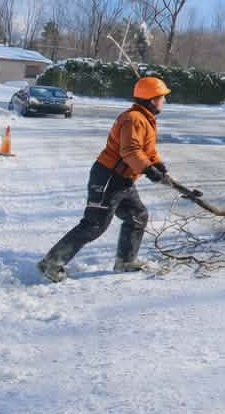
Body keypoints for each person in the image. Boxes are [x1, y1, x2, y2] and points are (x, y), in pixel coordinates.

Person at [37, 76, 175, 282]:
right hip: (109, 177)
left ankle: (126, 261)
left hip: (124, 179)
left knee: (138, 215)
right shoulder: (133, 119)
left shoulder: (145, 118)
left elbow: (147, 149)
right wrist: (148, 169)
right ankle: (51, 263)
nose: (164, 100)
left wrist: (157, 164)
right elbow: (130, 151)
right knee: (94, 224)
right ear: (152, 99)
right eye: (162, 97)